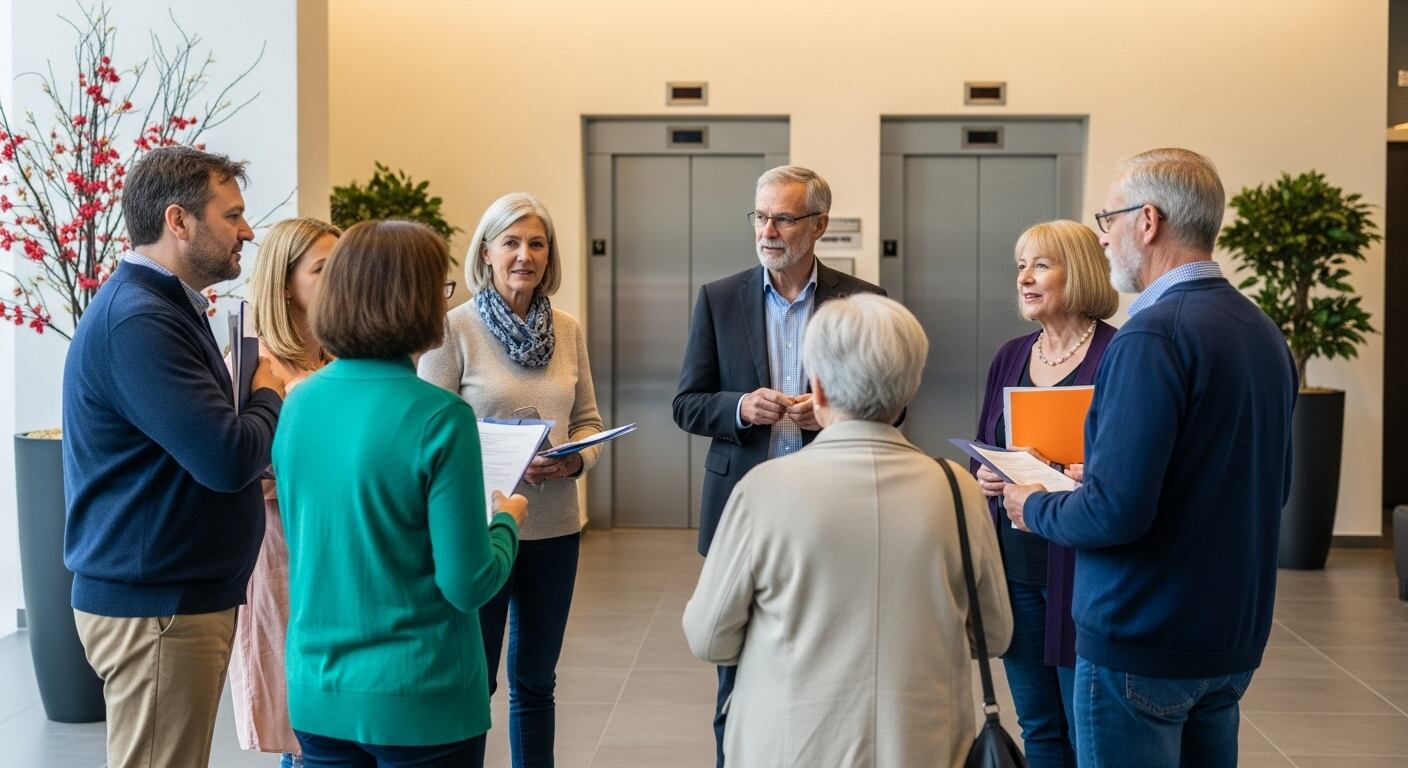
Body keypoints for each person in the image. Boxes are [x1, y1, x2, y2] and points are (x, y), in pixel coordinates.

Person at [1001, 148, 1297, 768]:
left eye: (1108, 219)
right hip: (1228, 640)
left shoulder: (1150, 334)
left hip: (1143, 638)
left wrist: (1039, 505)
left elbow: (1115, 515)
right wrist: (1099, 478)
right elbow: (1263, 482)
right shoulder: (1262, 331)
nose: (1104, 238)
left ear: (1148, 220)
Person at [683, 293, 1012, 767]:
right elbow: (995, 636)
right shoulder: (956, 490)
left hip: (792, 747)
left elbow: (709, 637)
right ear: (909, 391)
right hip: (928, 746)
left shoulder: (765, 490)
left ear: (817, 391)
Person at [62, 145, 285, 768]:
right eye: (233, 215)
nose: (247, 231)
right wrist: (269, 391)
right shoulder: (138, 321)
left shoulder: (162, 308)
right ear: (178, 220)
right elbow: (225, 456)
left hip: (173, 597)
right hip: (157, 605)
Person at [272, 220, 527, 766]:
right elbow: (468, 583)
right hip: (421, 694)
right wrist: (507, 521)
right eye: (438, 288)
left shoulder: (296, 406)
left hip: (319, 690)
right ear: (408, 300)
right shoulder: (441, 417)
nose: (443, 303)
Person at [672, 165, 888, 766]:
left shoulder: (864, 301)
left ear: (818, 225)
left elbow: (892, 408)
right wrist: (741, 407)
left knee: (833, 672)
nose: (768, 230)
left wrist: (837, 415)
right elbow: (687, 403)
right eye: (760, 216)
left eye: (783, 218)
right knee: (735, 676)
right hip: (746, 511)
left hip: (838, 513)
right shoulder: (719, 299)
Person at [419, 193, 603, 768]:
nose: (525, 255)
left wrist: (574, 462)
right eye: (512, 242)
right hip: (477, 527)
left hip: (554, 526)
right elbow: (427, 433)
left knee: (536, 681)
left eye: (537, 243)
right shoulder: (455, 329)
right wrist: (502, 458)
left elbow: (588, 422)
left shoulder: (567, 330)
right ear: (487, 252)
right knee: (477, 681)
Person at [971, 219, 1118, 767]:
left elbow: (1131, 464)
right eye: (1020, 266)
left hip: (1083, 572)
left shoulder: (1116, 353)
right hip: (1015, 569)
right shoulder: (1010, 355)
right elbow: (986, 442)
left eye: (1041, 265)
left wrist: (1081, 470)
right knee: (1038, 727)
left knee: (1088, 732)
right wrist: (985, 473)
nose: (1024, 279)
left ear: (1076, 272)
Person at [228, 217, 341, 768]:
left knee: (329, 713)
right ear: (283, 282)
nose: (341, 279)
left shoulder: (336, 356)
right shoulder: (256, 366)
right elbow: (240, 462)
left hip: (335, 548)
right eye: (323, 269)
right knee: (301, 721)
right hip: (280, 550)